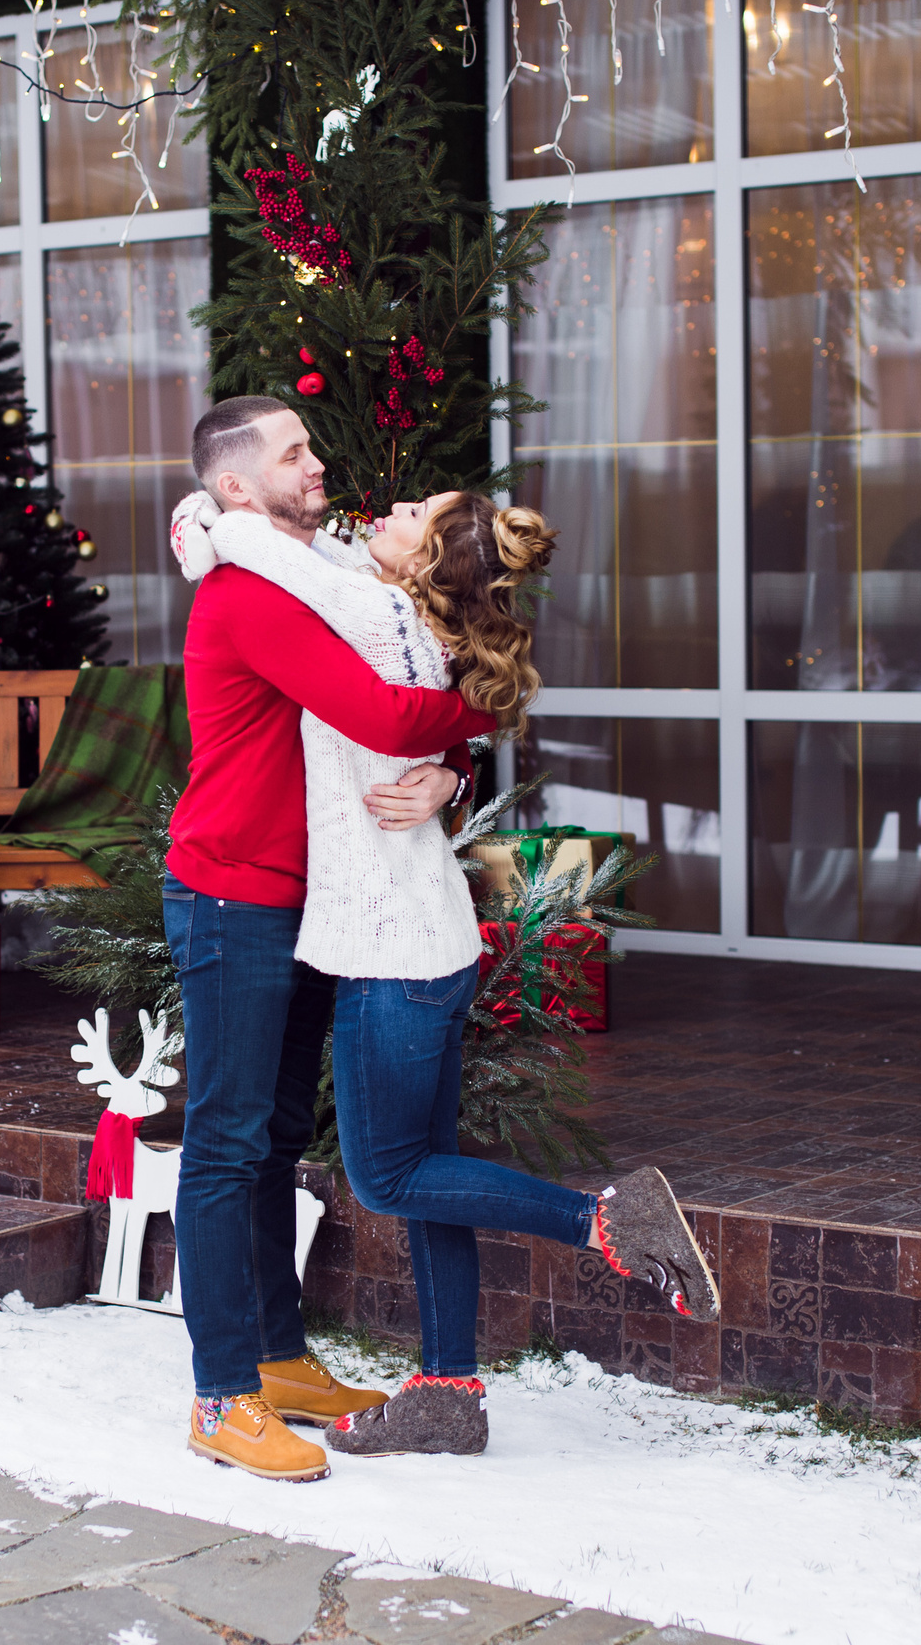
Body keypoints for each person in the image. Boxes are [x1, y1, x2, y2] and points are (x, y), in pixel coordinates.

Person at [173, 484, 720, 1462]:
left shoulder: (380, 619)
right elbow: (325, 554)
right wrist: (458, 763)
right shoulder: (400, 615)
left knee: (389, 1177)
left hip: (392, 951)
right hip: (422, 940)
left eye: (418, 511)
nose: (392, 501)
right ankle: (446, 1391)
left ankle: (603, 1221)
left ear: (418, 567)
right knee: (429, 1179)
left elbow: (295, 559)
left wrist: (217, 520)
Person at [165, 397, 493, 1485]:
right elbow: (386, 715)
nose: (321, 462)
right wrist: (489, 701)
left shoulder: (320, 572)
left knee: (268, 1144)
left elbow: (411, 663)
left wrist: (457, 769)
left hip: (306, 903)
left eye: (313, 439)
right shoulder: (247, 592)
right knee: (222, 1143)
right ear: (236, 490)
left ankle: (275, 1356)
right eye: (294, 452)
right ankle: (221, 1399)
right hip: (233, 898)